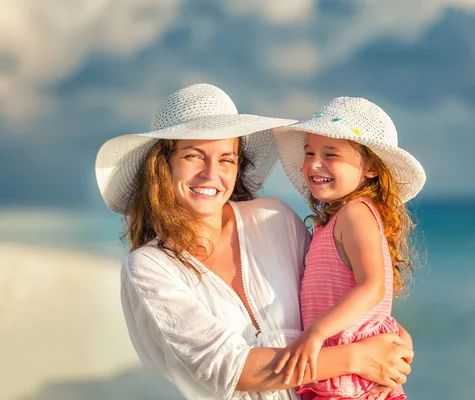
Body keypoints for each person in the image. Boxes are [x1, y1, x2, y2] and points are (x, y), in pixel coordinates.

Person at [95, 84, 415, 400]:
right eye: (194, 156)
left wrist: (394, 341)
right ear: (163, 165)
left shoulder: (273, 218)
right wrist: (356, 358)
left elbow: (337, 290)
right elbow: (230, 368)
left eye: (226, 159)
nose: (211, 173)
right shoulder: (150, 267)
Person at [272, 96, 426, 399]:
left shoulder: (355, 212)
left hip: (355, 382)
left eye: (331, 154)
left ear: (370, 166)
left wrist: (314, 335)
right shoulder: (331, 222)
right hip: (343, 372)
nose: (315, 163)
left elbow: (372, 288)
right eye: (309, 152)